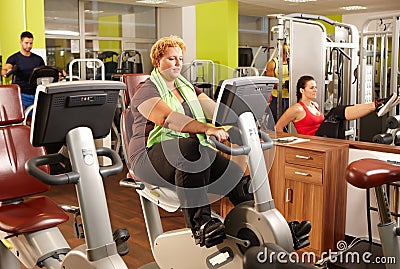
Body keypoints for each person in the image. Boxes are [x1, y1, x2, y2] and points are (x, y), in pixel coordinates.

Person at [128, 35, 253, 247]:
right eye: (171, 59)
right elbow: (168, 119)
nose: (177, 63)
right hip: (146, 157)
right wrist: (207, 129)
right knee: (189, 147)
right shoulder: (146, 90)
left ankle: (262, 223)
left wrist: (240, 122)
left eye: (180, 58)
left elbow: (215, 111)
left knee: (235, 176)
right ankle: (201, 225)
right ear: (158, 62)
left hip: (187, 152)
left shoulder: (188, 88)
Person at [275, 75, 400, 138]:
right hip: (313, 141)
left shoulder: (315, 105)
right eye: (311, 88)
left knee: (340, 115)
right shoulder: (297, 108)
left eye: (316, 87)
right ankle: (377, 105)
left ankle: (376, 106)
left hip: (324, 139)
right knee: (335, 112)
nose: (315, 90)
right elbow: (277, 128)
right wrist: (294, 141)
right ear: (302, 90)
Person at [1, 31, 45, 111]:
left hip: (36, 94)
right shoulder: (14, 58)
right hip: (21, 95)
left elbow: (44, 73)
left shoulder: (38, 59)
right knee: (23, 118)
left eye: (31, 43)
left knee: (36, 120)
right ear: (21, 42)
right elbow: (4, 69)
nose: (29, 46)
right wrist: (6, 73)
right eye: (26, 43)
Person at [265, 41, 290, 124]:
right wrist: (285, 85)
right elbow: (270, 83)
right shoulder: (272, 64)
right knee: (276, 121)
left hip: (291, 97)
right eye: (285, 45)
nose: (287, 47)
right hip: (278, 98)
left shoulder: (294, 62)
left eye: (288, 45)